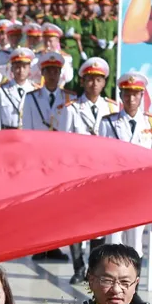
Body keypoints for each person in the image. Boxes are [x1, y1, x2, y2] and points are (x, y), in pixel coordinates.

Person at [98, 71, 152, 304]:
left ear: (142, 96)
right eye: (127, 93)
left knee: (136, 245)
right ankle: (105, 291)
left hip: (140, 193)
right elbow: (102, 158)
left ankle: (132, 291)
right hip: (115, 192)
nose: (131, 98)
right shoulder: (108, 122)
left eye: (135, 94)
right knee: (112, 241)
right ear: (121, 95)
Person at [60, 58, 122, 285]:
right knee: (76, 221)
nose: (94, 84)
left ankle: (95, 266)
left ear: (104, 82)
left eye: (98, 80)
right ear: (83, 81)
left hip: (103, 175)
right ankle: (78, 266)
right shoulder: (72, 109)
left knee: (99, 222)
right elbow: (64, 144)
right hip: (79, 173)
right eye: (89, 79)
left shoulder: (112, 108)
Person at [22, 52, 75, 132]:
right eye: (48, 71)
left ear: (60, 73)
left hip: (62, 142)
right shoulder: (31, 98)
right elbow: (27, 127)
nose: (52, 75)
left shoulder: (70, 98)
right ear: (42, 73)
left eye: (55, 72)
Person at [0, 48, 36, 129]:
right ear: (12, 69)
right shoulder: (0, 90)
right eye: (17, 67)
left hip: (28, 134)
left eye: (24, 67)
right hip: (7, 134)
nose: (21, 70)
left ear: (29, 68)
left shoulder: (35, 90)